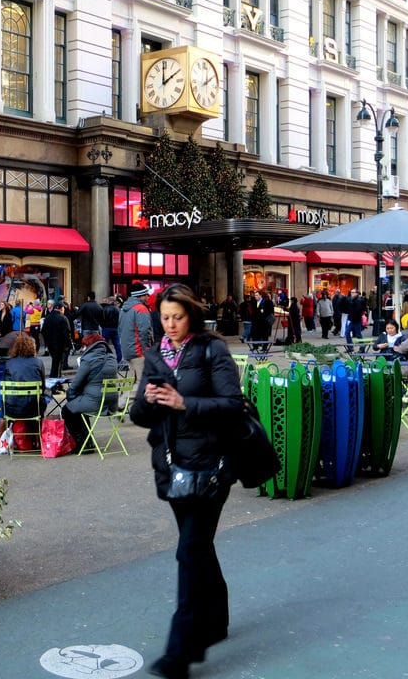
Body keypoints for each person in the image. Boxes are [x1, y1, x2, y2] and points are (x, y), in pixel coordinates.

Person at [129, 284, 244, 678]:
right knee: (198, 548)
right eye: (164, 317)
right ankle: (217, 619)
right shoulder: (157, 356)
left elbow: (232, 405)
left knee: (189, 551)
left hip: (211, 467)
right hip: (172, 467)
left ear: (191, 315)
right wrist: (146, 399)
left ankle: (181, 650)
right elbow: (141, 417)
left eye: (177, 316)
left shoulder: (213, 350)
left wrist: (185, 403)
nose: (171, 324)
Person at [61, 333, 118, 446]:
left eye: (84, 346)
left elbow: (75, 384)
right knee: (79, 406)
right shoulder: (111, 357)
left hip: (96, 401)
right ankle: (88, 441)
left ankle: (83, 443)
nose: (83, 348)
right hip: (111, 401)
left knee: (67, 410)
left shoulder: (88, 359)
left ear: (89, 345)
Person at [0, 333, 45, 454]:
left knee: (6, 404)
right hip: (33, 408)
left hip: (11, 409)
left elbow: (3, 383)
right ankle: (37, 440)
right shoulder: (38, 363)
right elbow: (42, 386)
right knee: (41, 400)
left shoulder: (9, 363)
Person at [119, 282, 154, 379]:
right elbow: (145, 331)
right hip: (139, 352)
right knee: (142, 384)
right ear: (140, 296)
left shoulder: (123, 309)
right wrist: (147, 350)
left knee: (131, 385)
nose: (148, 297)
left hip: (127, 351)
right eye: (146, 295)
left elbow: (120, 330)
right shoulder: (141, 309)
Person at [42, 301, 73, 378]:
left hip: (50, 344)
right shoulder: (62, 318)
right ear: (61, 308)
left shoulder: (48, 317)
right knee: (58, 363)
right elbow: (66, 333)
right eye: (63, 308)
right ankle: (55, 379)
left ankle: (55, 377)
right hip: (60, 344)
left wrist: (48, 340)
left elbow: (43, 331)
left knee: (55, 362)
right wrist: (68, 345)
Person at [100, 296, 121, 360]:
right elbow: (119, 319)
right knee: (117, 345)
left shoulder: (104, 309)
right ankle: (119, 358)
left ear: (109, 301)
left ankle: (105, 358)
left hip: (106, 328)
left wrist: (102, 325)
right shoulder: (117, 309)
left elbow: (102, 319)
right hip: (115, 328)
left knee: (104, 344)